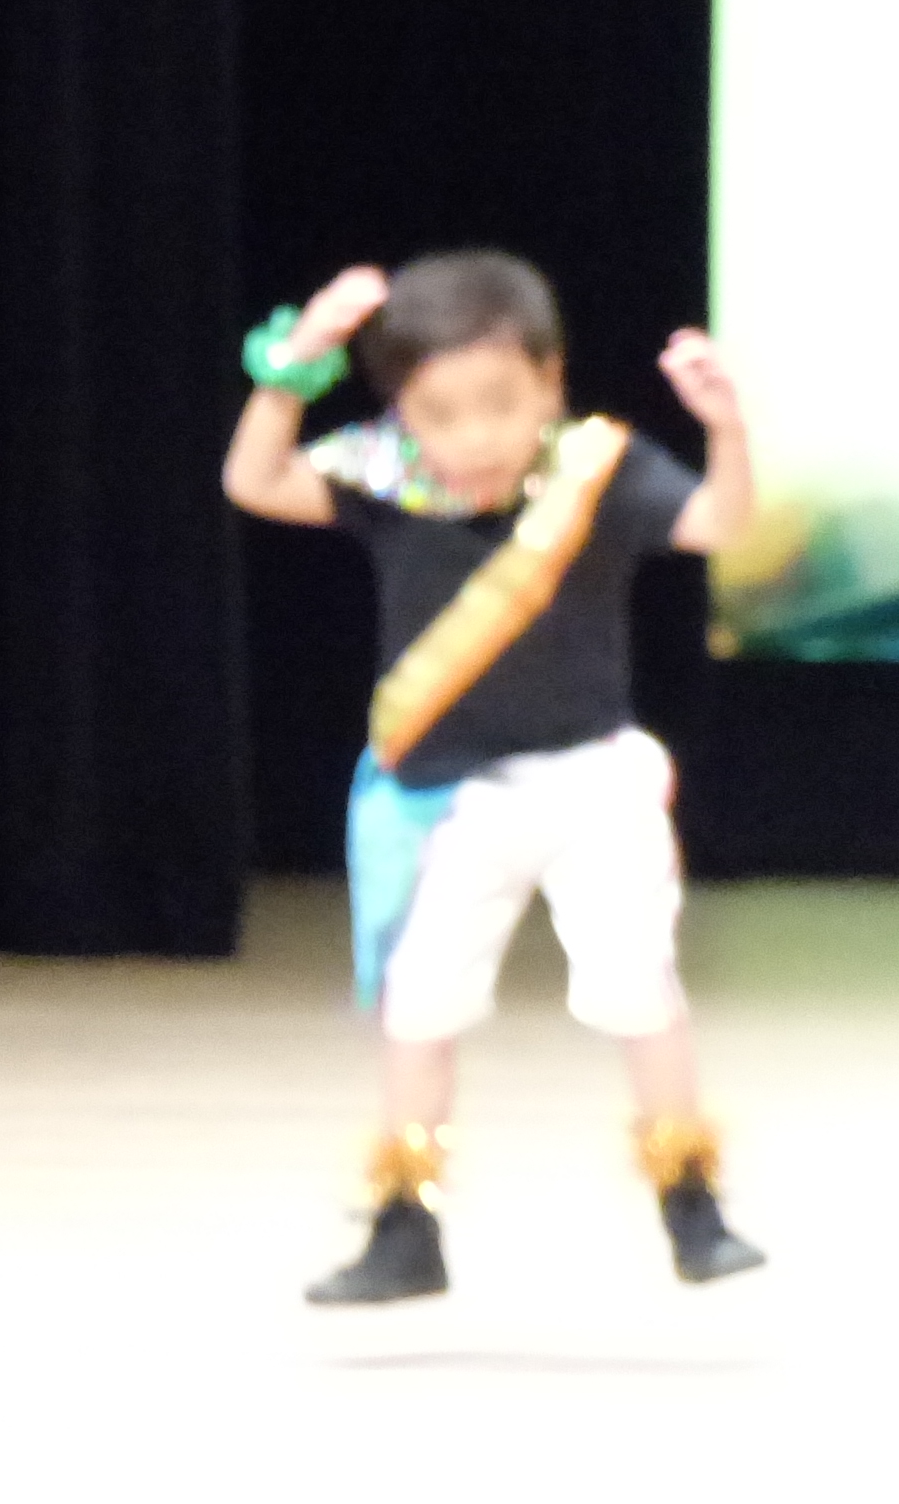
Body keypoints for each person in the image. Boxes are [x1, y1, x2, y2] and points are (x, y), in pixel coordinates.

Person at [222, 251, 766, 1303]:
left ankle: (690, 1202)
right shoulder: (387, 480)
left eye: (499, 405)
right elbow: (254, 480)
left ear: (550, 384)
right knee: (418, 1009)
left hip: (590, 782)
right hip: (446, 798)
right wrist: (292, 371)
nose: (471, 436)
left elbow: (721, 524)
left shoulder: (597, 472)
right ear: (400, 411)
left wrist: (728, 429)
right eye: (439, 413)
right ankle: (404, 1229)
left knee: (635, 985)